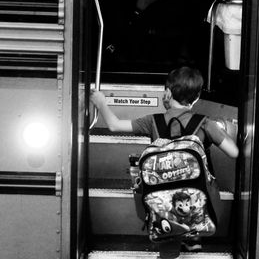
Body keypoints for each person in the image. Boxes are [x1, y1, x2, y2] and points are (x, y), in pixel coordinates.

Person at [90, 66, 239, 256]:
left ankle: (168, 238)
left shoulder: (153, 121)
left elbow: (113, 125)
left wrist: (101, 102)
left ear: (167, 92)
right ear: (196, 98)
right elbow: (233, 153)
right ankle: (192, 233)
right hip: (197, 197)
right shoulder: (205, 123)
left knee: (164, 211)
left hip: (162, 200)